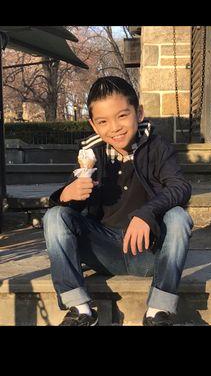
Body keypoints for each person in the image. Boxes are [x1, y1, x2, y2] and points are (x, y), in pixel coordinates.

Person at [43, 76, 193, 326]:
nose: (115, 128)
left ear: (139, 112)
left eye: (122, 116)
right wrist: (65, 196)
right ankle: (80, 310)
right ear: (93, 124)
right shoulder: (90, 153)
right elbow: (68, 214)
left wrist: (146, 213)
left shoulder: (157, 147)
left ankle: (158, 312)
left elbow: (180, 187)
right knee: (54, 216)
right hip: (101, 252)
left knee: (178, 217)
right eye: (103, 121)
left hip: (148, 253)